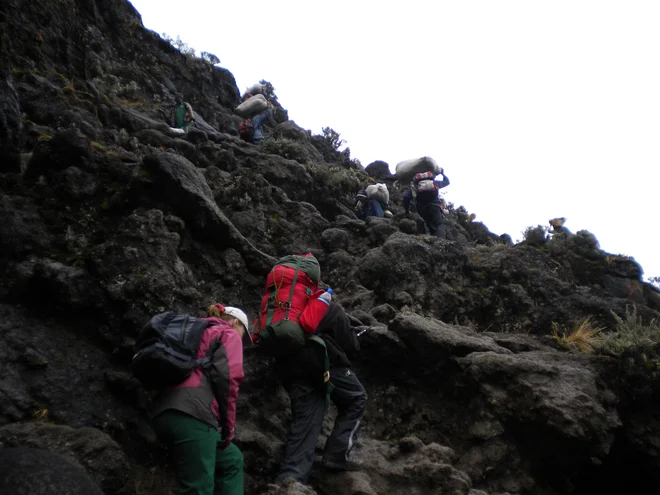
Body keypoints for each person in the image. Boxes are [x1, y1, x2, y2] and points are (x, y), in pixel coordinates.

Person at [150, 304, 249, 495]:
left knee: (232, 460)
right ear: (235, 322)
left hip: (164, 413)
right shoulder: (228, 334)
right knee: (198, 489)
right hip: (195, 416)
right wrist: (229, 429)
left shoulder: (192, 330)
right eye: (243, 334)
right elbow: (228, 380)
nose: (241, 341)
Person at [274, 300, 368, 485]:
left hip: (292, 370)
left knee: (306, 424)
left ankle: (289, 483)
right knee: (357, 397)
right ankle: (337, 454)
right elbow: (349, 344)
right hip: (323, 364)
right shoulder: (325, 303)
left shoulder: (282, 308)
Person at [403, 169, 450, 238]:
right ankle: (440, 243)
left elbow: (406, 197)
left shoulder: (415, 186)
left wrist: (406, 211)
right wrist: (442, 174)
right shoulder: (434, 183)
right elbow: (447, 182)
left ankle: (434, 241)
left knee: (430, 227)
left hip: (423, 210)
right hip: (435, 208)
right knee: (439, 225)